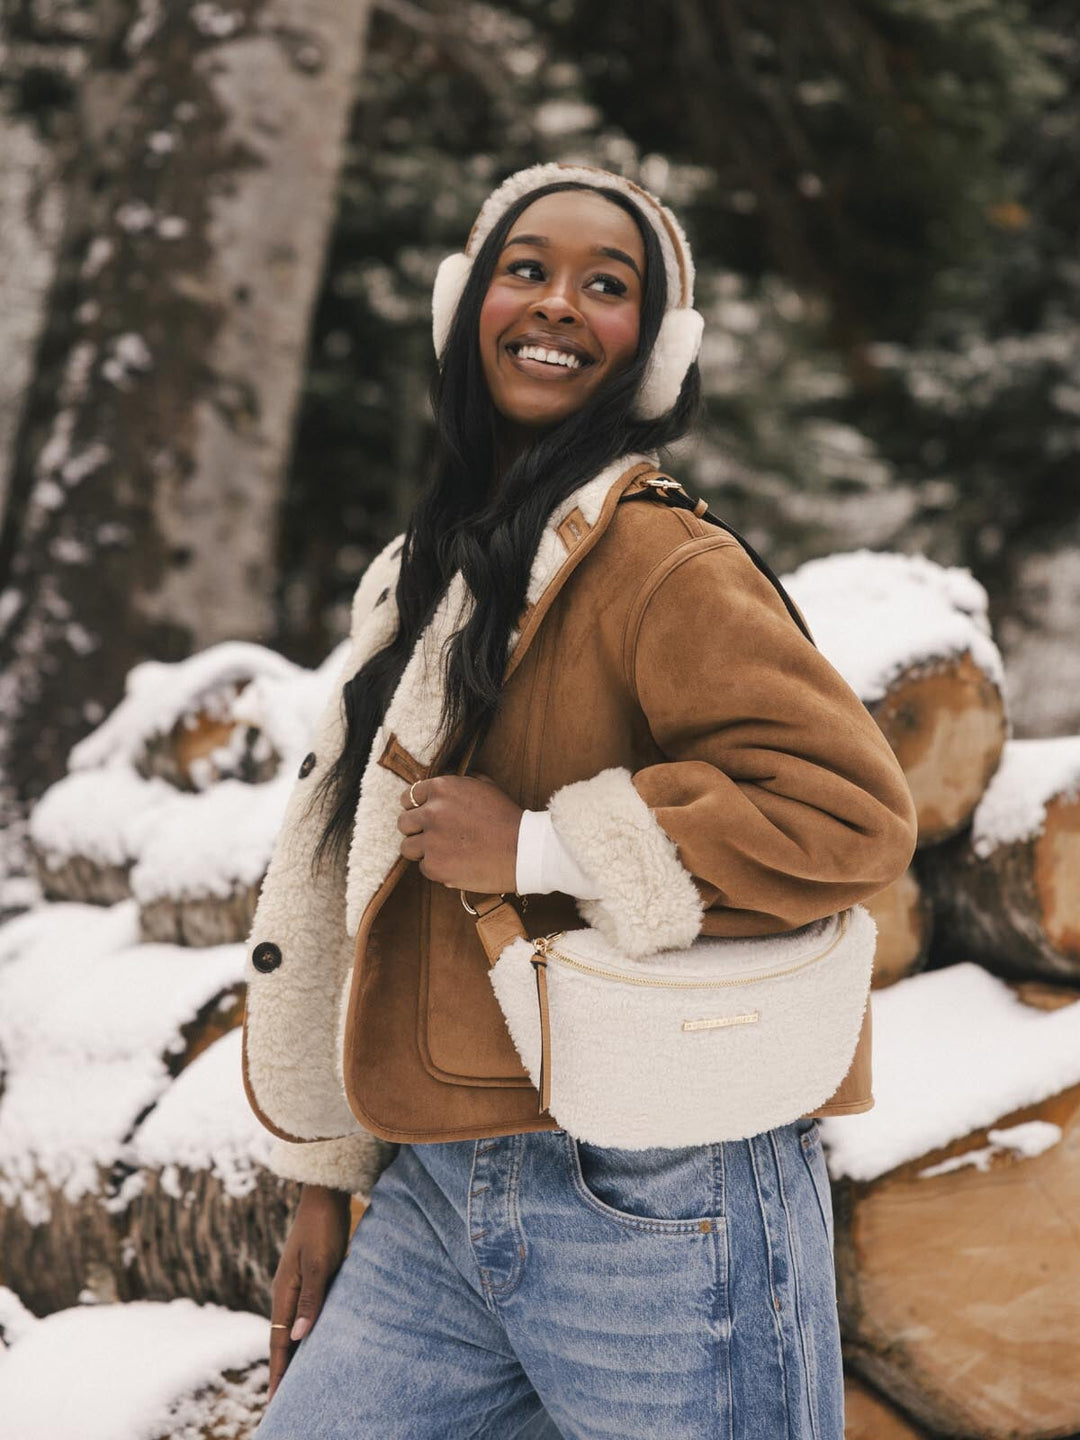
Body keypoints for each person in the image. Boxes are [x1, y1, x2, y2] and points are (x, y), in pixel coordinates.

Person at [244, 162, 919, 1439]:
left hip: (663, 1185)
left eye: (607, 287)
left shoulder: (661, 557)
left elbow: (851, 814)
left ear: (649, 352)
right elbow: (352, 873)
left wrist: (547, 842)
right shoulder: (432, 565)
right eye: (526, 269)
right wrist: (326, 1178)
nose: (558, 304)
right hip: (444, 1177)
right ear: (467, 306)